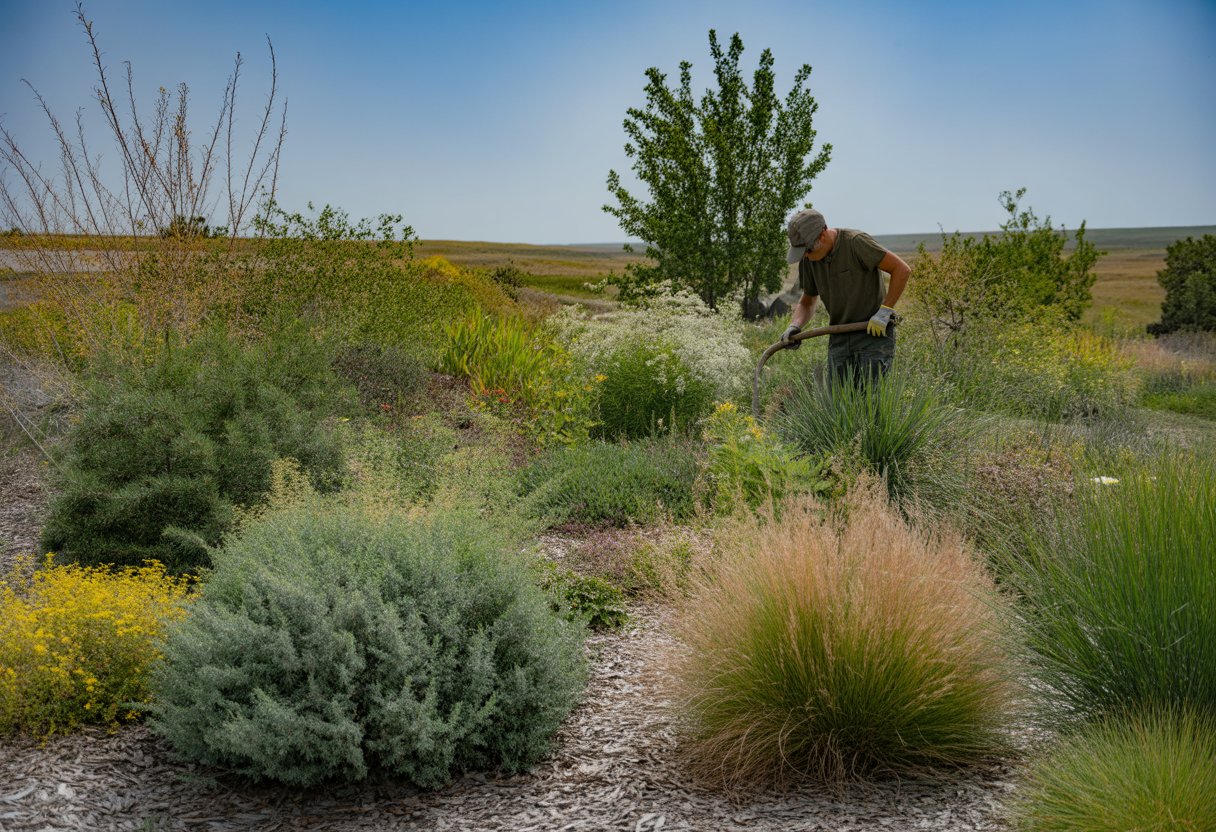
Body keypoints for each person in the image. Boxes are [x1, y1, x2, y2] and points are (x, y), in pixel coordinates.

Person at [780, 208, 911, 383]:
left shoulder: (855, 243)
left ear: (823, 234)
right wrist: (794, 326)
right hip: (839, 338)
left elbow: (901, 269)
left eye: (808, 250)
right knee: (839, 406)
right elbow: (808, 301)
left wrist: (884, 312)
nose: (805, 256)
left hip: (872, 335)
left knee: (872, 402)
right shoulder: (808, 260)